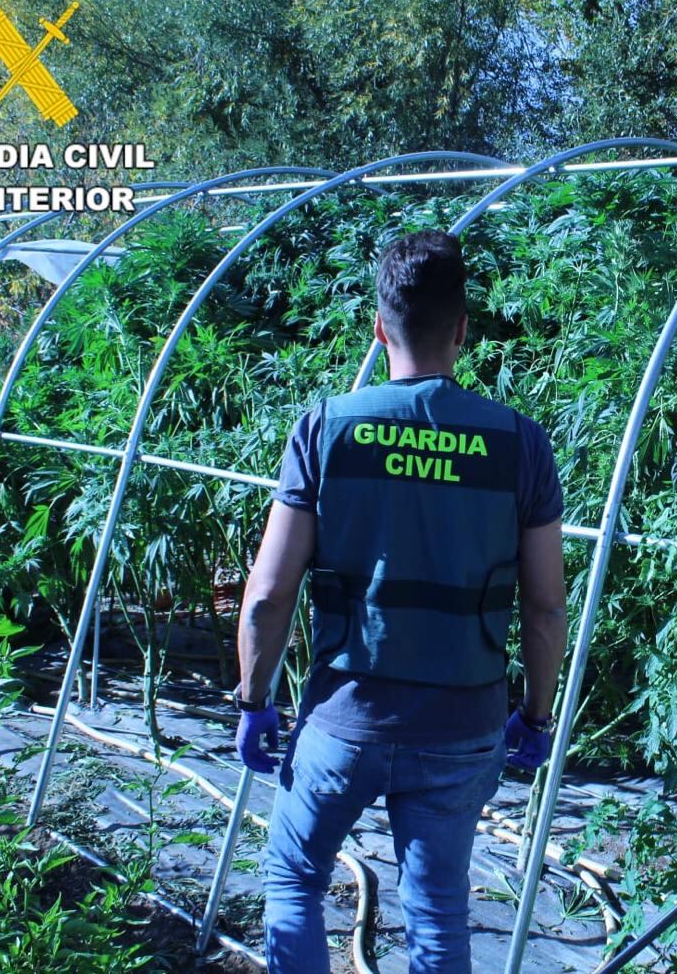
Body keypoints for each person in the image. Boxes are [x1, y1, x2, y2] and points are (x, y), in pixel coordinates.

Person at [232, 230, 569, 974]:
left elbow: (266, 596)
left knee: (293, 880)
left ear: (379, 326)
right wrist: (537, 716)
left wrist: (255, 701)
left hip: (344, 721)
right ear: (462, 330)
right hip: (463, 724)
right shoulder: (521, 445)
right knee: (440, 911)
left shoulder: (327, 428)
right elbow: (546, 609)